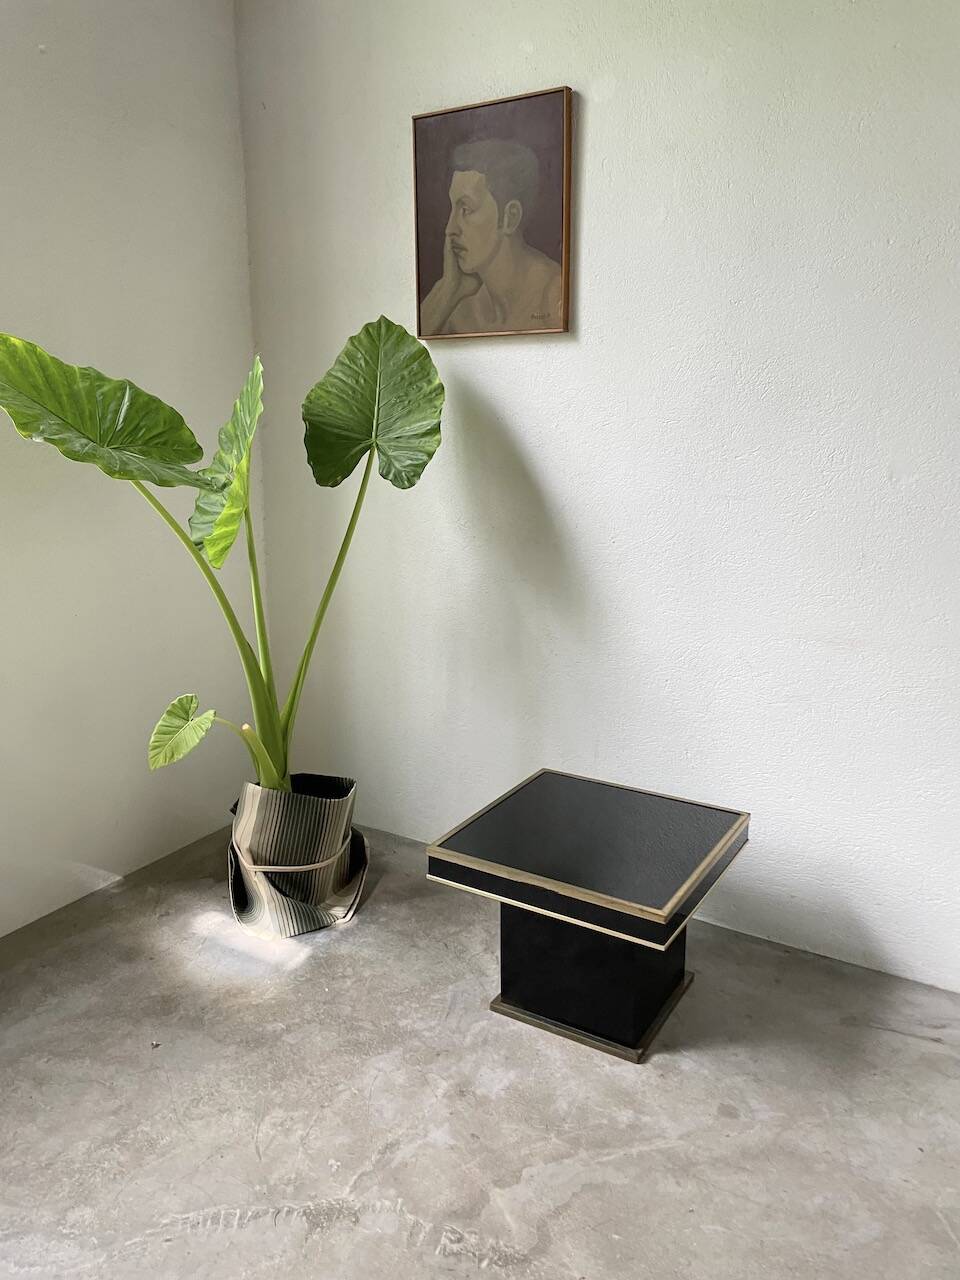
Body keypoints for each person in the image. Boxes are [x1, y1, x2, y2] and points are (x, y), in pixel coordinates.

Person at [420, 138, 563, 336]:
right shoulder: (462, 311)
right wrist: (447, 289)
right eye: (452, 208)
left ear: (510, 217)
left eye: (466, 209)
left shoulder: (556, 297)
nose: (450, 229)